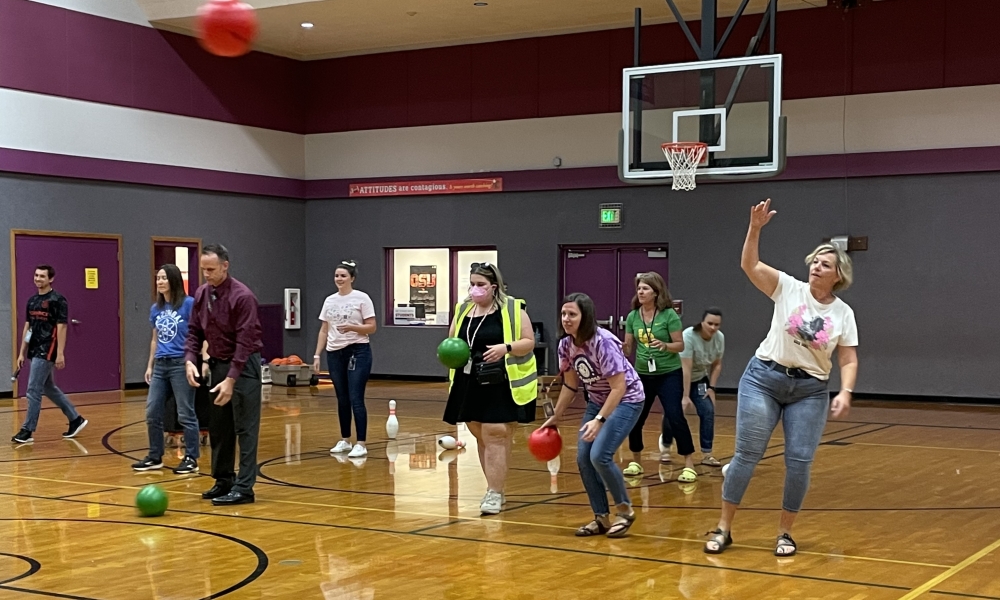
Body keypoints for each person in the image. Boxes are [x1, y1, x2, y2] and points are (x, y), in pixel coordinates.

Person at [705, 199, 859, 557]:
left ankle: (785, 534)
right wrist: (755, 228)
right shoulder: (788, 288)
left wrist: (846, 391)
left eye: (825, 264)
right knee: (747, 455)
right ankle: (724, 527)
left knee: (800, 461)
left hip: (809, 390)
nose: (817, 267)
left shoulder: (843, 313)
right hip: (764, 378)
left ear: (839, 275)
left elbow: (848, 357)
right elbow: (749, 264)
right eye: (815, 262)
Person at [543, 293, 644, 537]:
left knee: (600, 455)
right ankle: (601, 517)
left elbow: (619, 388)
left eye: (572, 315)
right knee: (584, 458)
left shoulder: (603, 342)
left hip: (626, 400)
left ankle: (625, 510)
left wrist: (599, 421)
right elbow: (570, 385)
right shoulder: (565, 345)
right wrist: (556, 415)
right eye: (564, 314)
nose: (566, 319)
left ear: (585, 317)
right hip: (597, 401)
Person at [443, 263, 537, 515]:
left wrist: (505, 348)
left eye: (481, 285)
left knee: (496, 432)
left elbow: (529, 342)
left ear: (494, 287)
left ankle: (494, 492)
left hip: (501, 380)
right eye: (472, 284)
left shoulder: (514, 308)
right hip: (469, 379)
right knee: (481, 434)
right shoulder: (463, 309)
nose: (475, 289)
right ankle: (495, 487)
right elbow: (452, 338)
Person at [184, 244, 264, 506]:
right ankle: (223, 479)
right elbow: (194, 330)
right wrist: (190, 360)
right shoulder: (202, 294)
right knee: (219, 427)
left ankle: (245, 488)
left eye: (211, 269)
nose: (206, 274)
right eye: (203, 269)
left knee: (245, 428)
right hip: (217, 363)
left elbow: (245, 341)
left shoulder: (243, 297)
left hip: (244, 367)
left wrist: (231, 379)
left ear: (225, 266)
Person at [621, 272, 697, 483]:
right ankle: (635, 460)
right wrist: (621, 347)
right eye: (638, 288)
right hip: (642, 374)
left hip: (668, 374)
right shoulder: (633, 317)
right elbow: (628, 348)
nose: (640, 292)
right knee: (635, 417)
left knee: (675, 416)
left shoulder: (669, 315)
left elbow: (680, 345)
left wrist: (665, 346)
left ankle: (689, 464)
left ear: (656, 291)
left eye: (645, 288)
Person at [132, 264, 199, 474]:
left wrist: (200, 361)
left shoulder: (188, 304)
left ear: (173, 280)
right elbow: (155, 339)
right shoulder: (156, 309)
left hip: (181, 363)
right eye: (158, 278)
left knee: (185, 413)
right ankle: (154, 456)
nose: (160, 281)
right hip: (161, 364)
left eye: (164, 278)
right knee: (152, 411)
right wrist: (150, 365)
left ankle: (191, 458)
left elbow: (199, 334)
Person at [11, 265, 87, 444]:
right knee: (48, 387)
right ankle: (75, 419)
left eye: (42, 276)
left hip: (48, 348)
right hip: (34, 349)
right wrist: (22, 352)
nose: (38, 279)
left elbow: (62, 328)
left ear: (50, 279)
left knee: (33, 389)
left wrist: (60, 353)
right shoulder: (32, 301)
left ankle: (27, 430)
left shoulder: (58, 300)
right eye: (36, 275)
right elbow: (28, 328)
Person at [312, 261, 377, 459]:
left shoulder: (361, 298)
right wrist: (317, 354)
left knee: (356, 397)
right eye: (336, 276)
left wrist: (352, 327)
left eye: (343, 276)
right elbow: (324, 329)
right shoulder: (329, 301)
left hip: (357, 351)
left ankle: (361, 443)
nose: (339, 279)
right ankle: (345, 439)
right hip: (335, 352)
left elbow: (372, 327)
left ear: (352, 278)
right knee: (342, 398)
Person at [680, 308, 725, 467]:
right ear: (702, 322)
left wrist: (711, 387)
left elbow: (717, 364)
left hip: (699, 379)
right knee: (675, 411)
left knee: (707, 410)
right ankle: (665, 444)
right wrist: (685, 396)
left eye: (717, 325)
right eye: (710, 323)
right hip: (679, 378)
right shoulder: (689, 336)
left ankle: (707, 454)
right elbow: (686, 367)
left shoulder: (719, 338)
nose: (713, 328)